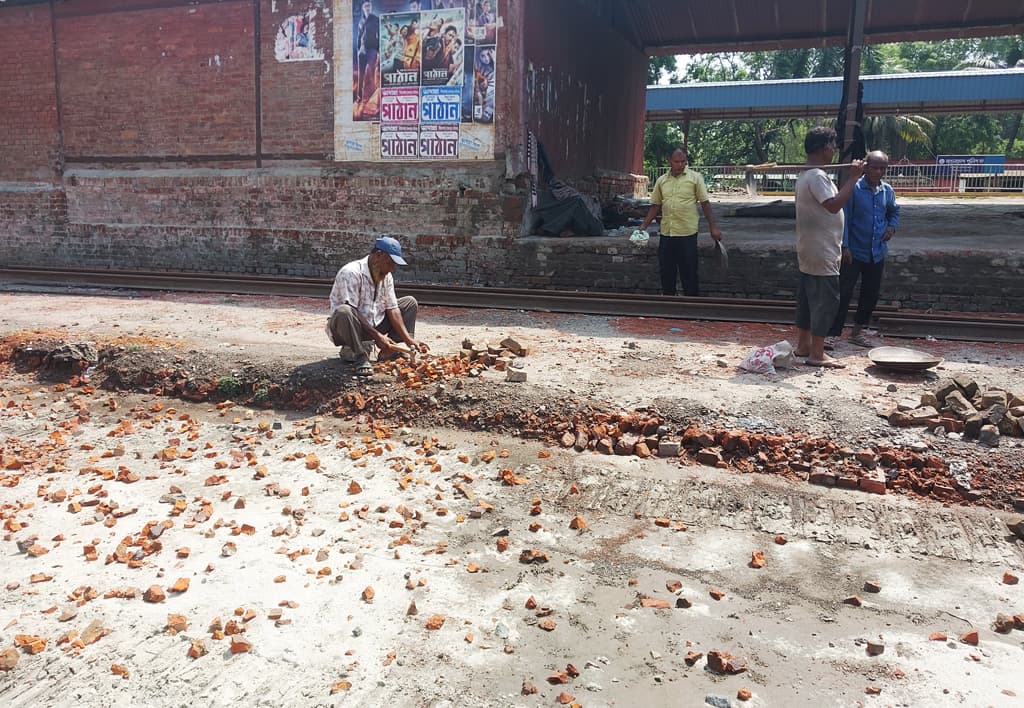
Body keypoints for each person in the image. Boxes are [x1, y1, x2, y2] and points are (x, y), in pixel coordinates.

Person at [793, 127, 865, 368]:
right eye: (832, 147)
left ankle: (803, 345)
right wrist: (854, 178)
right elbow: (833, 206)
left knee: (807, 297)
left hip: (811, 247)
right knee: (825, 300)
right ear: (825, 148)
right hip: (821, 249)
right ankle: (817, 353)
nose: (833, 152)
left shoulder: (807, 175)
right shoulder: (817, 177)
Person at [827, 150, 900, 348]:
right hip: (855, 251)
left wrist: (892, 226)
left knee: (871, 293)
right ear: (866, 167)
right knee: (843, 291)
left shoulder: (887, 191)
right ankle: (832, 332)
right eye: (874, 167)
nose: (878, 172)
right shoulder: (854, 189)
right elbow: (845, 219)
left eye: (882, 168)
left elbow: (894, 211)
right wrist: (845, 246)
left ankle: (858, 331)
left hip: (876, 252)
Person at [327, 237, 430, 376]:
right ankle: (360, 356)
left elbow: (392, 308)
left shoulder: (386, 275)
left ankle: (390, 351)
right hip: (348, 328)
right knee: (344, 311)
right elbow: (353, 311)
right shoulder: (351, 273)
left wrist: (408, 340)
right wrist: (378, 337)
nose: (392, 269)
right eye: (389, 263)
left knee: (409, 303)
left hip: (373, 323)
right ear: (378, 255)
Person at [639, 147, 723, 296]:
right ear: (670, 161)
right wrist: (644, 225)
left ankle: (691, 308)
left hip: (687, 233)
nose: (680, 164)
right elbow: (656, 205)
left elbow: (705, 203)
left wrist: (713, 227)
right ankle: (669, 307)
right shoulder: (662, 181)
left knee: (689, 272)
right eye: (676, 161)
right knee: (666, 272)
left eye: (683, 161)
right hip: (667, 233)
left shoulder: (695, 178)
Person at [356, 1, 379, 104]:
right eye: (366, 6)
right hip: (362, 51)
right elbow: (359, 36)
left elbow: (379, 34)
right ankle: (359, 97)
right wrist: (358, 49)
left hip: (372, 50)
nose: (368, 7)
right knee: (360, 75)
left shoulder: (375, 19)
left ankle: (371, 97)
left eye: (369, 5)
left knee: (369, 72)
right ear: (362, 7)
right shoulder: (361, 21)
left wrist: (378, 50)